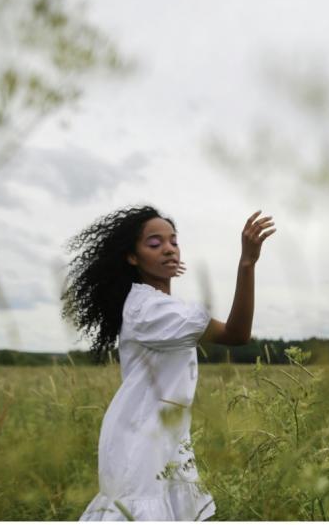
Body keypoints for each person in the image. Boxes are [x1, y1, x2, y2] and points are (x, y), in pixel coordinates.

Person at [61, 205, 275, 521]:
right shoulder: (149, 311)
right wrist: (247, 263)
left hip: (162, 438)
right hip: (141, 442)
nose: (168, 249)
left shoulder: (155, 306)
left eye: (173, 241)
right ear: (132, 257)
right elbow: (236, 334)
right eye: (154, 243)